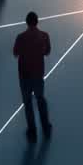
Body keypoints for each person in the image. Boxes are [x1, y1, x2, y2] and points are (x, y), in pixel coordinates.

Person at [13, 11, 52, 142]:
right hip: (38, 73)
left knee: (28, 103)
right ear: (37, 21)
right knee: (40, 99)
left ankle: (32, 130)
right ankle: (45, 126)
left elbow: (15, 53)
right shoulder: (44, 36)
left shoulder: (20, 37)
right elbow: (47, 52)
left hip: (24, 74)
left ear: (26, 22)